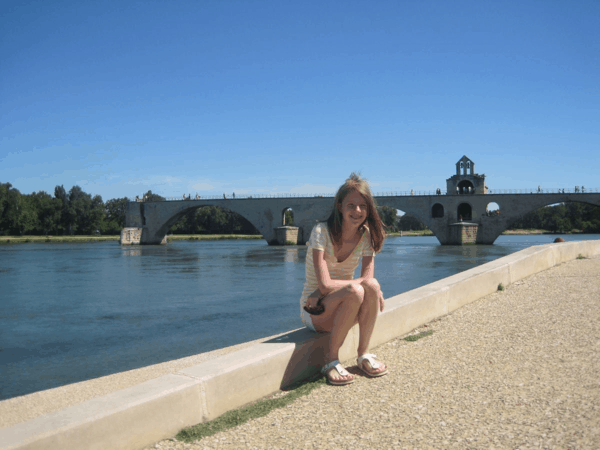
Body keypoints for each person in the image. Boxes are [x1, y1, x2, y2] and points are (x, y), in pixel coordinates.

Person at [300, 173, 387, 386]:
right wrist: (323, 290)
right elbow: (325, 284)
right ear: (340, 206)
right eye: (351, 205)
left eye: (363, 206)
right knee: (360, 289)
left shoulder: (366, 236)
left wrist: (369, 286)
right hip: (316, 310)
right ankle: (330, 361)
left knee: (369, 286)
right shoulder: (321, 232)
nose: (357, 211)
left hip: (349, 307)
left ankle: (363, 354)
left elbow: (368, 280)